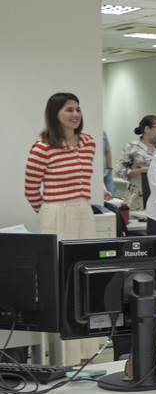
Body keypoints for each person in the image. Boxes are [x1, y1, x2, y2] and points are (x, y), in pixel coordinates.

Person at [23, 92, 102, 364]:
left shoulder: (89, 143)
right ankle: (62, 355)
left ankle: (85, 351)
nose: (75, 114)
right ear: (55, 113)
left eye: (78, 109)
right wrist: (50, 213)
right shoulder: (43, 147)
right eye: (69, 109)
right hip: (55, 212)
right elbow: (31, 190)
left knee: (85, 278)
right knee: (60, 282)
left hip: (83, 211)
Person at [115, 115, 156, 210]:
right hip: (137, 198)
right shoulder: (132, 147)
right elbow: (119, 172)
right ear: (147, 129)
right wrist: (141, 171)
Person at [102, 130, 114, 198]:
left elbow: (108, 151)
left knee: (111, 196)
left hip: (106, 172)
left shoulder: (103, 134)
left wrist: (110, 168)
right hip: (96, 174)